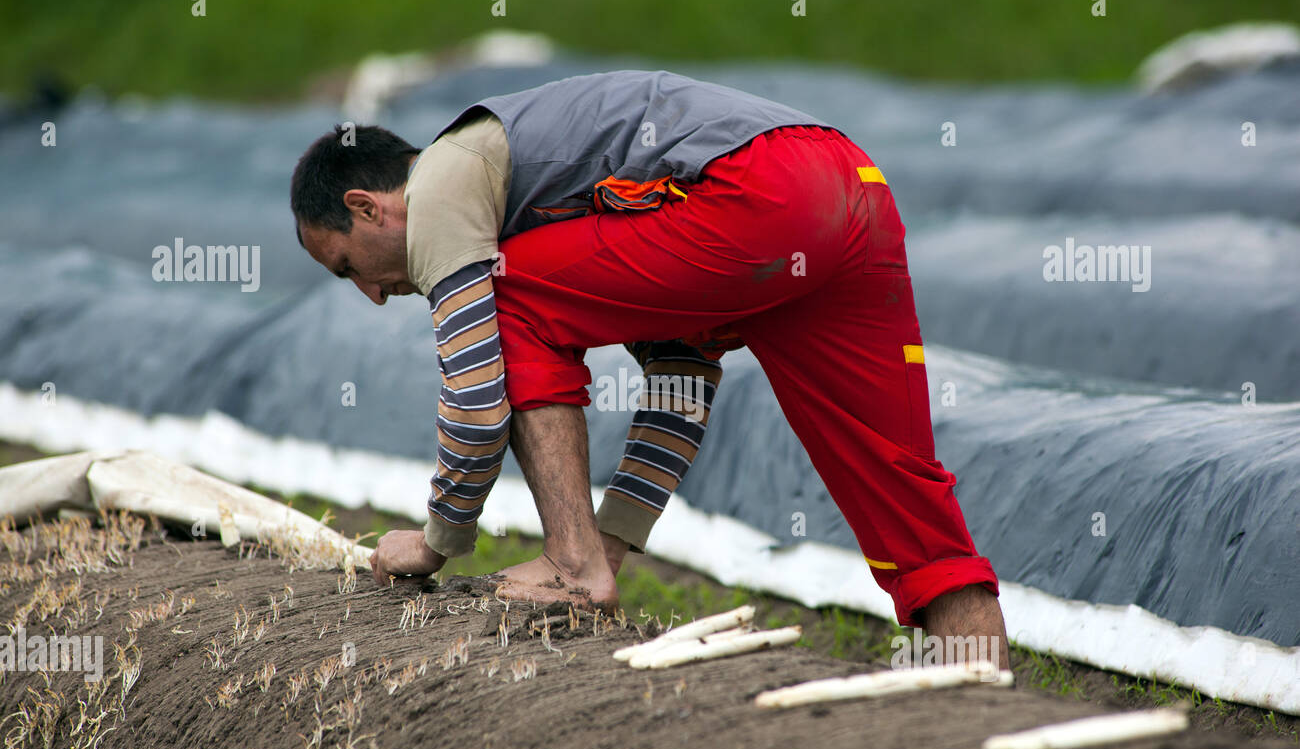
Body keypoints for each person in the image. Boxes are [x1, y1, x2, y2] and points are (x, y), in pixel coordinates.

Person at [290, 70, 1009, 667]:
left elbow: (479, 398)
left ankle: (570, 565)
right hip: (845, 184)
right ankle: (976, 698)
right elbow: (683, 373)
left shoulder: (444, 181)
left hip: (760, 192)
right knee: (897, 482)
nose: (375, 295)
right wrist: (615, 541)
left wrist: (436, 542)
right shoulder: (559, 204)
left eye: (350, 266)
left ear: (369, 206)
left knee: (505, 293)